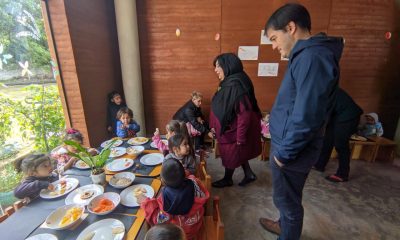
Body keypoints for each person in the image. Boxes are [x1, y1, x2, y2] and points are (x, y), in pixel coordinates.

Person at [259, 3, 343, 240]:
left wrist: (283, 154)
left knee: (289, 202)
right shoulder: (306, 55)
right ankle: (283, 225)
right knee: (285, 198)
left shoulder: (313, 58)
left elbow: (308, 115)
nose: (274, 46)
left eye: (274, 38)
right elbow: (298, 103)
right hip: (287, 145)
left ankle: (288, 233)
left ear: (291, 27)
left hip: (291, 151)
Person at [209, 53, 262, 188]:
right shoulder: (229, 83)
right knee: (238, 154)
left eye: (218, 66)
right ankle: (249, 174)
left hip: (233, 133)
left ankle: (227, 179)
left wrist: (240, 138)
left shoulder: (236, 86)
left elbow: (244, 115)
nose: (215, 70)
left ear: (228, 66)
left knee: (231, 156)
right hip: (228, 129)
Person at [140, 159, 209, 240]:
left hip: (178, 235)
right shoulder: (195, 183)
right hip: (195, 227)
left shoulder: (165, 201)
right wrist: (180, 174)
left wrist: (146, 202)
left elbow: (159, 220)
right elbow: (190, 177)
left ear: (162, 181)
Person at [314, 88, 363, 182]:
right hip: (336, 114)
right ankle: (319, 165)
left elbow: (321, 114)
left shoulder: (322, 89)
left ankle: (342, 174)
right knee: (327, 140)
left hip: (348, 116)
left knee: (340, 144)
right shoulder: (318, 89)